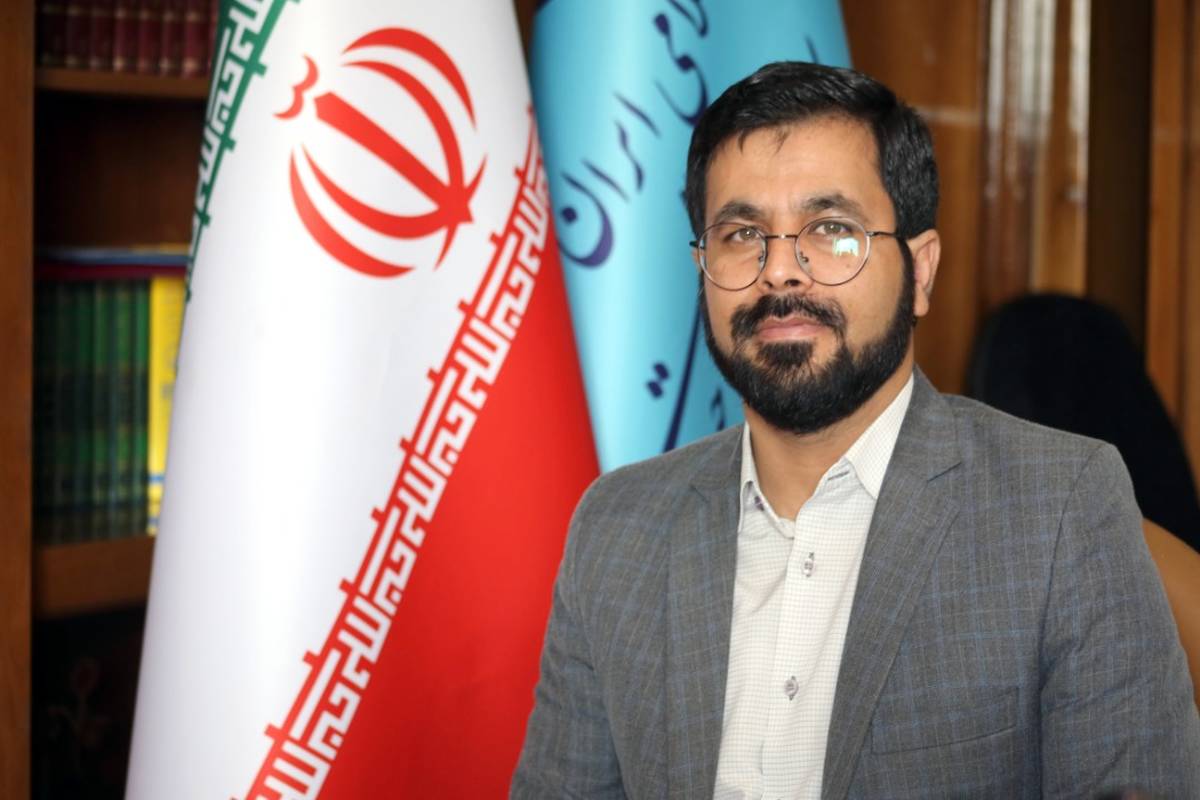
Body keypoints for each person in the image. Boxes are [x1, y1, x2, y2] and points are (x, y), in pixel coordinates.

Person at [511, 62, 1200, 799]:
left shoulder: (1059, 509)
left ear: (920, 271)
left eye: (831, 230)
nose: (781, 272)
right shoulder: (617, 527)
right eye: (742, 234)